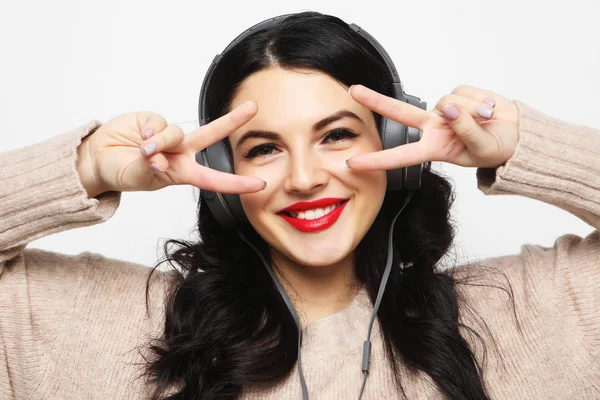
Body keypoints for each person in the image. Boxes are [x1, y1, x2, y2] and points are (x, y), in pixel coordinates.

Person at [0, 11, 598, 400]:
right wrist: (87, 168)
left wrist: (524, 146)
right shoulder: (89, 324)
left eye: (336, 135)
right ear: (219, 171)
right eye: (263, 148)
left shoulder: (529, 314)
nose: (306, 178)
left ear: (397, 148)